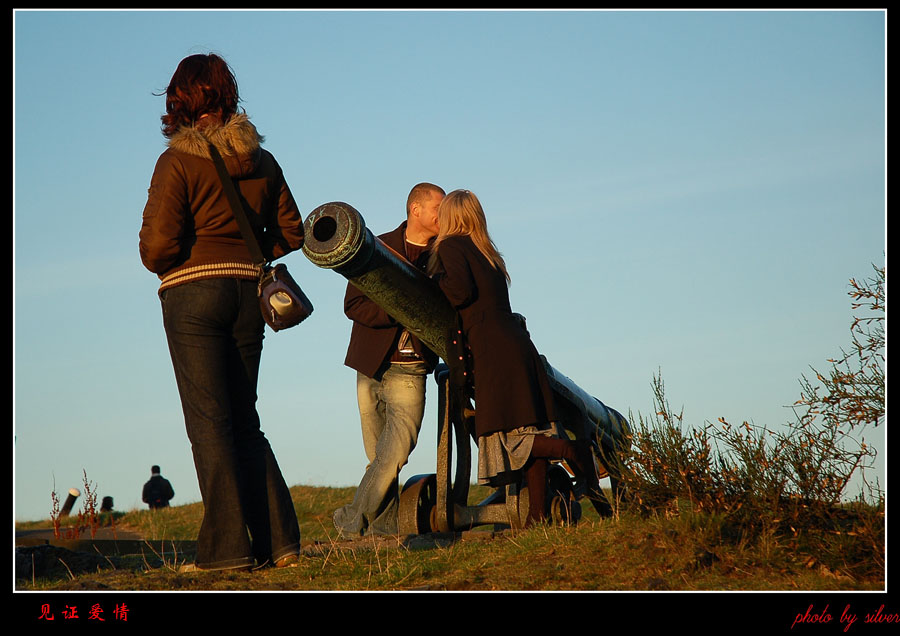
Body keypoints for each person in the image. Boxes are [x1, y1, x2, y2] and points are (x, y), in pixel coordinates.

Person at [139, 53, 303, 570]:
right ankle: (281, 545)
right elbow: (292, 233)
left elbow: (156, 250)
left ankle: (227, 551)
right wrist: (247, 252)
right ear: (226, 95)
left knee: (209, 424)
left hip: (192, 297)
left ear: (180, 99)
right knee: (245, 421)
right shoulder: (263, 160)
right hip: (249, 298)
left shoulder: (177, 162)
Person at [428, 189, 608, 525]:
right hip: (515, 344)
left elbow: (460, 291)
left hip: (491, 350)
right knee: (529, 431)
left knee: (509, 435)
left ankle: (572, 451)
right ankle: (537, 517)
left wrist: (434, 280)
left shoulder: (452, 246)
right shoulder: (488, 252)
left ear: (450, 216)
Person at [333, 183, 444, 537]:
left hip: (410, 370)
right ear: (416, 209)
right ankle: (384, 533)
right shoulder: (375, 248)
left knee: (392, 455)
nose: (444, 217)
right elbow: (353, 306)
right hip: (369, 367)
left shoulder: (445, 258)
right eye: (438, 209)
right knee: (379, 460)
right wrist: (401, 309)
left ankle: (353, 517)